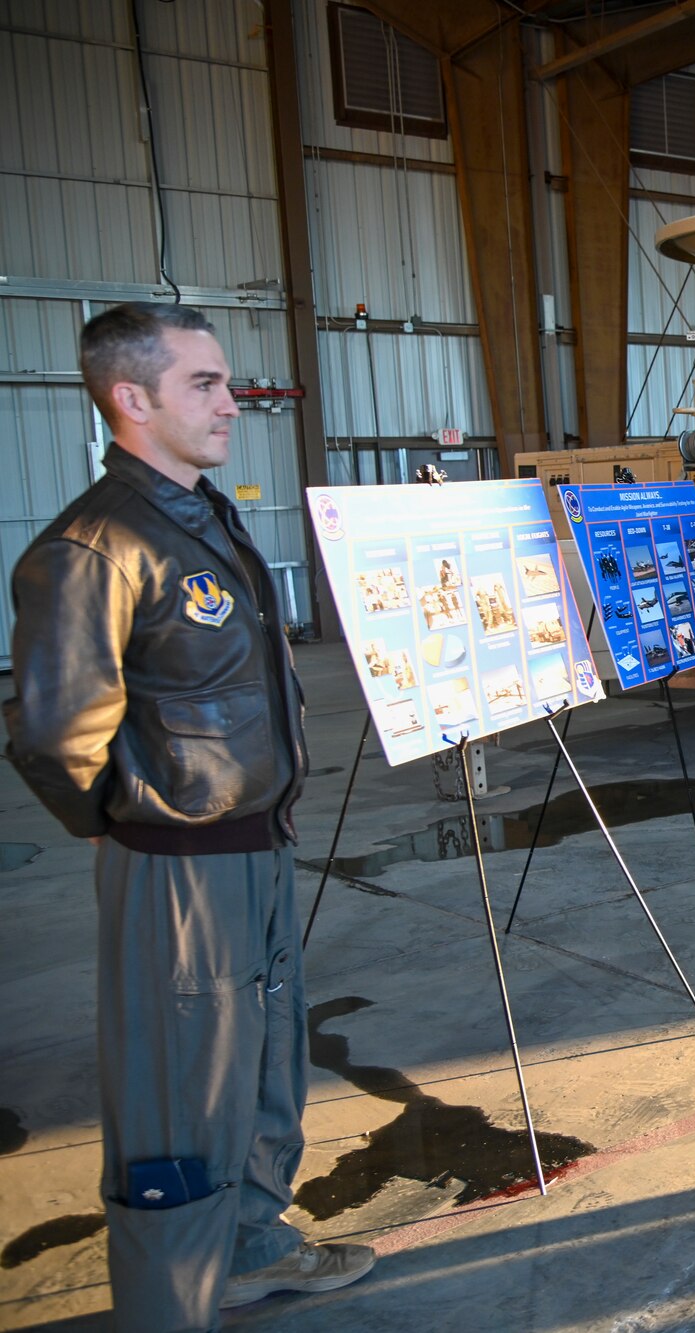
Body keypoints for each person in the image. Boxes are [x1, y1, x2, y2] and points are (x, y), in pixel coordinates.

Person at [3, 303, 374, 1330]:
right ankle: (169, 1307)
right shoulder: (93, 543)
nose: (231, 401)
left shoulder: (199, 514)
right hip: (176, 862)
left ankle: (253, 1246)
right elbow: (49, 734)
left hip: (257, 842)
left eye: (226, 380)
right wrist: (124, 826)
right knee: (177, 1094)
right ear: (132, 398)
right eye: (203, 384)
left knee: (263, 1065)